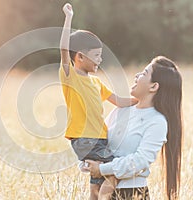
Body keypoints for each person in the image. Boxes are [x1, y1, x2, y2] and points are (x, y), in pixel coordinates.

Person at [59, 3, 137, 200]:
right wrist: (69, 17)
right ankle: (106, 195)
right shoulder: (71, 76)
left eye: (101, 56)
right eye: (96, 56)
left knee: (96, 180)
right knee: (113, 168)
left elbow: (118, 101)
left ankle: (98, 195)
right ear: (79, 57)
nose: (100, 60)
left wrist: (140, 99)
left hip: (99, 138)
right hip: (84, 138)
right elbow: (63, 48)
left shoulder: (96, 82)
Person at [85, 56, 183, 200]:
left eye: (144, 73)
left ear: (154, 86)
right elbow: (97, 139)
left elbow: (140, 160)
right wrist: (87, 164)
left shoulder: (157, 121)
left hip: (131, 193)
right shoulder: (121, 110)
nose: (137, 75)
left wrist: (101, 169)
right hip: (99, 190)